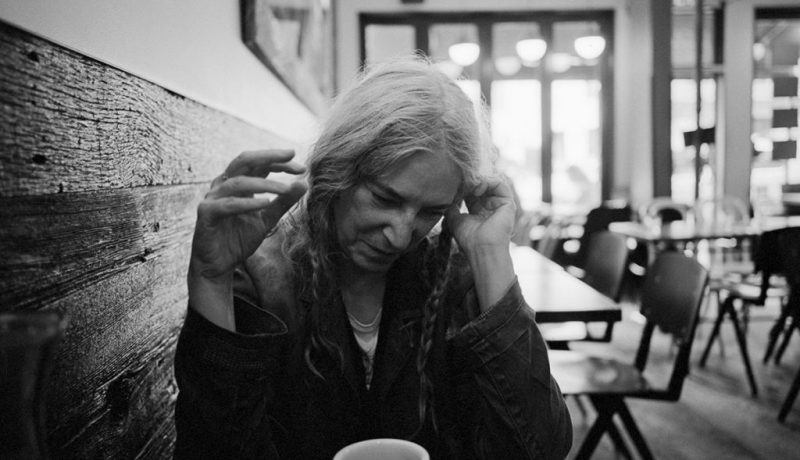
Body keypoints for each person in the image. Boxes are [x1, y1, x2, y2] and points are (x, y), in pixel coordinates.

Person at [173, 57, 572, 459]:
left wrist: (491, 256)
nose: (400, 236)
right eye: (385, 198)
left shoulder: (456, 278)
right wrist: (210, 280)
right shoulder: (263, 275)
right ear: (337, 168)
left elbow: (540, 451)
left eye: (431, 211)